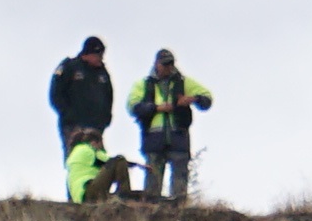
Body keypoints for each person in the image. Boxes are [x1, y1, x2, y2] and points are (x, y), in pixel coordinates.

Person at [129, 51, 213, 200]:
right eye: (165, 64)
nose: (168, 68)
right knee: (152, 189)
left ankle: (178, 210)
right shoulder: (144, 84)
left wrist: (193, 99)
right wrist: (156, 108)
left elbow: (207, 99)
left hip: (178, 138)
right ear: (156, 64)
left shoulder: (184, 82)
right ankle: (151, 209)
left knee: (179, 190)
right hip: (154, 140)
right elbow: (133, 107)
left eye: (170, 64)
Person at [48, 36, 116, 198]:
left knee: (97, 161)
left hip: (96, 127)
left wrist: (105, 118)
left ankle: (95, 198)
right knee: (76, 161)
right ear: (88, 53)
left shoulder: (102, 73)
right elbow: (55, 94)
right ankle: (73, 198)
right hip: (73, 126)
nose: (101, 59)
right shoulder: (69, 67)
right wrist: (69, 114)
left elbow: (109, 97)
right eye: (98, 55)